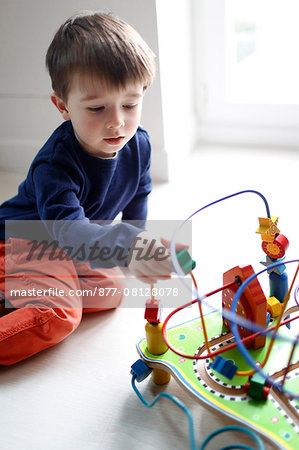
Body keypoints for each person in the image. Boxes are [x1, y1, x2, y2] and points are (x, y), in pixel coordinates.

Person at [0, 11, 184, 365]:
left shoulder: (139, 144)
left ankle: (19, 289)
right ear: (63, 106)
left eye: (130, 104)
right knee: (59, 314)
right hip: (22, 239)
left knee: (112, 290)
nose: (117, 121)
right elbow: (71, 233)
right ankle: (17, 280)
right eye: (97, 107)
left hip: (67, 246)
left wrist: (137, 240)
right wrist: (128, 243)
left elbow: (139, 193)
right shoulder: (54, 165)